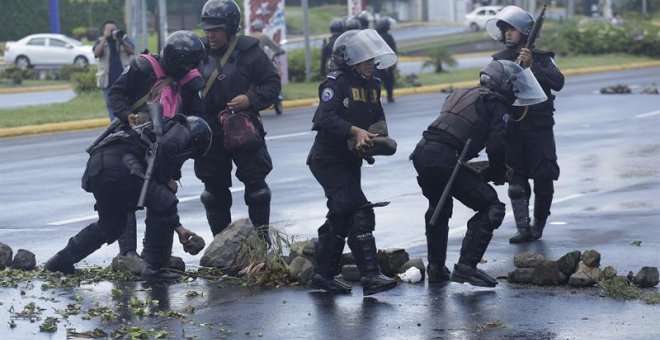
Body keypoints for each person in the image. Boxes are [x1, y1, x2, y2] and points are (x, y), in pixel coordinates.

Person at [410, 60, 548, 287]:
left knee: (439, 207)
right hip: (444, 158)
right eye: (513, 86)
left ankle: (436, 268)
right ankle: (466, 267)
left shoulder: (464, 94)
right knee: (492, 207)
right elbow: (496, 145)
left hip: (423, 153)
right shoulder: (496, 104)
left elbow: (455, 131)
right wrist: (497, 172)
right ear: (503, 84)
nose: (515, 91)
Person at [44, 115, 213, 281]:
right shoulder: (180, 132)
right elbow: (167, 151)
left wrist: (178, 227)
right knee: (165, 200)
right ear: (195, 142)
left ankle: (60, 261)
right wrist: (167, 179)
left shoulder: (162, 127)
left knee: (111, 225)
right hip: (121, 167)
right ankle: (155, 269)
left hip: (98, 167)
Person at [308, 29, 399, 296]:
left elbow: (377, 118)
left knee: (342, 213)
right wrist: (354, 131)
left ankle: (323, 275)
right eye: (364, 57)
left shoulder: (374, 84)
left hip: (350, 161)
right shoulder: (335, 83)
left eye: (372, 57)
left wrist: (375, 138)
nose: (371, 62)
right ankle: (370, 277)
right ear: (349, 59)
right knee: (359, 210)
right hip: (327, 159)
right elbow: (324, 118)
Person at [105, 30, 206, 258]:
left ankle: (157, 256)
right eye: (181, 64)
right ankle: (128, 255)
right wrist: (126, 115)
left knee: (164, 193)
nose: (184, 69)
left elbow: (198, 115)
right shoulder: (142, 67)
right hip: (133, 140)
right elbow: (116, 93)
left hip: (168, 146)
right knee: (128, 195)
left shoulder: (192, 82)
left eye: (190, 64)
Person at [196, 0, 281, 244]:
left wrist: (250, 99)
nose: (210, 35)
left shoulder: (250, 51)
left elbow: (272, 84)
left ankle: (261, 245)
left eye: (217, 29)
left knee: (257, 188)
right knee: (213, 192)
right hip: (208, 129)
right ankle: (221, 247)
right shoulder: (197, 52)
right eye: (207, 29)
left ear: (230, 27)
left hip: (242, 126)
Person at [485, 6, 565, 243]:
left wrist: (534, 65)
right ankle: (523, 227)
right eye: (505, 30)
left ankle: (538, 225)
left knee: (544, 177)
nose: (508, 34)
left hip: (539, 127)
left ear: (525, 32)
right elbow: (489, 89)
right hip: (512, 128)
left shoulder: (542, 58)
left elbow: (558, 82)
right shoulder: (498, 60)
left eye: (513, 29)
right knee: (516, 179)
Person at [94, 20, 135, 121]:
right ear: (104, 31)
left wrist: (120, 41)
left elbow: (132, 51)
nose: (112, 32)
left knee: (126, 103)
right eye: (109, 30)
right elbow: (96, 53)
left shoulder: (123, 38)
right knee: (111, 104)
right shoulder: (101, 41)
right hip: (107, 80)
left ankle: (126, 123)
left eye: (114, 29)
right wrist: (104, 38)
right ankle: (115, 127)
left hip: (123, 79)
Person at [375, 16, 397, 103]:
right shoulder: (388, 36)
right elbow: (393, 49)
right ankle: (390, 96)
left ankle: (378, 98)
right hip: (386, 62)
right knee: (389, 80)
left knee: (377, 81)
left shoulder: (375, 36)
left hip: (377, 62)